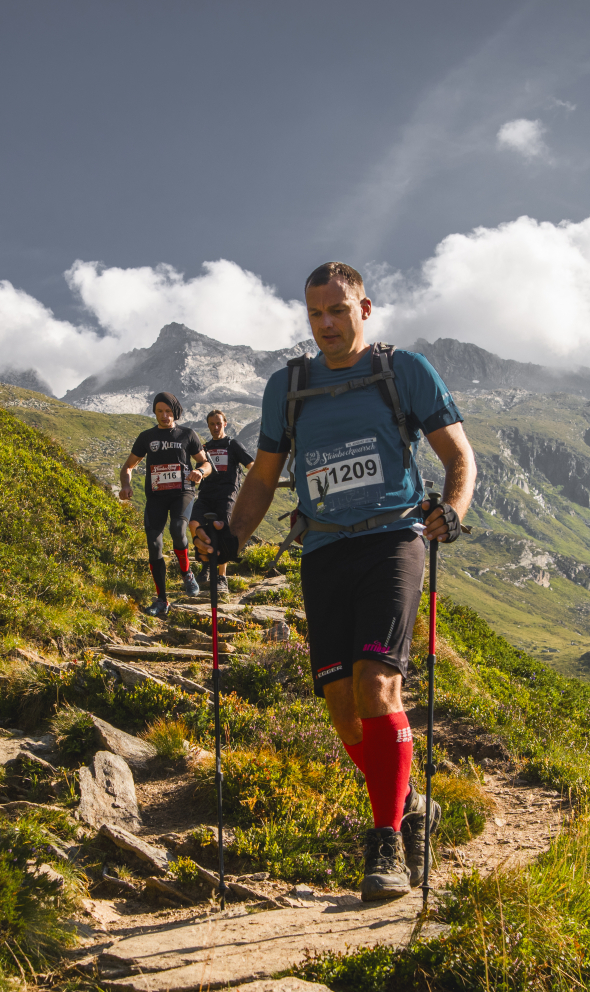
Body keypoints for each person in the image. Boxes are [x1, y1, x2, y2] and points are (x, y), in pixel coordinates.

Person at [195, 262, 476, 901]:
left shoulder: (402, 371)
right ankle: (409, 804)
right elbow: (263, 478)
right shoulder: (287, 387)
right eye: (314, 313)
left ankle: (385, 847)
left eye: (337, 311)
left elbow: (458, 456)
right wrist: (233, 536)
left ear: (365, 309)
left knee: (379, 682)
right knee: (344, 709)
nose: (325, 324)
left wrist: (451, 512)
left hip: (393, 540)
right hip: (324, 550)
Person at [119, 391, 209, 616]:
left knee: (178, 529)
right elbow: (128, 467)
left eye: (168, 411)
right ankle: (162, 600)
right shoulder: (146, 437)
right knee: (154, 545)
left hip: (183, 493)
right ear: (155, 412)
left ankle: (187, 573)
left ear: (175, 412)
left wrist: (199, 472)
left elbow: (206, 463)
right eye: (160, 411)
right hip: (156, 497)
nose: (164, 416)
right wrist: (126, 486)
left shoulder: (187, 434)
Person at [193, 409, 255, 591]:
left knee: (223, 529)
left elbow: (251, 465)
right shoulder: (204, 448)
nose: (215, 427)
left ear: (225, 424)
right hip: (206, 494)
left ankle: (221, 577)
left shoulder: (233, 445)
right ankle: (206, 568)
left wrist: (254, 488)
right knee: (198, 526)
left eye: (219, 423)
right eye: (212, 424)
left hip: (227, 494)